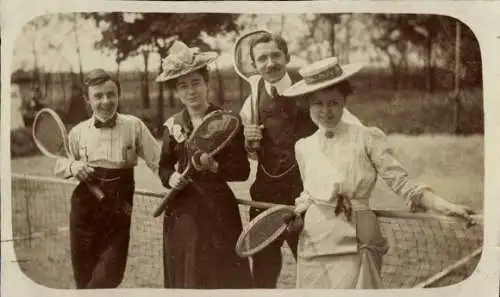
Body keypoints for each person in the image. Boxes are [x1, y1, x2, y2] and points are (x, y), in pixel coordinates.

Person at [280, 56, 476, 289]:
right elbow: (309, 195)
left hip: (357, 239)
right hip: (313, 242)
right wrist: (298, 217)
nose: (326, 111)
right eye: (318, 104)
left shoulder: (367, 137)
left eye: (333, 102)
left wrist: (446, 206)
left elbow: (402, 184)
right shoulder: (303, 146)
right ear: (308, 105)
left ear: (344, 101)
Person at [238, 31, 363, 288]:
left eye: (275, 55)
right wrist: (249, 143)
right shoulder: (250, 101)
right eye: (262, 58)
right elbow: (251, 156)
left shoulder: (310, 92)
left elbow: (351, 130)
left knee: (316, 275)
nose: (270, 63)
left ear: (287, 57)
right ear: (254, 64)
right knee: (263, 274)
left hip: (307, 200)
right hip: (265, 198)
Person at [156, 41, 252, 289]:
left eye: (196, 83)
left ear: (207, 84)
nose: (191, 91)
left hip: (218, 213)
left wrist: (215, 167)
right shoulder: (172, 125)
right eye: (183, 86)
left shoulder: (228, 121)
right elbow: (164, 168)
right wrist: (171, 179)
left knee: (220, 276)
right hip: (182, 214)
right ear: (177, 92)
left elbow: (242, 171)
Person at [54, 68, 161, 289]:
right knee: (84, 280)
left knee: (106, 278)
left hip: (118, 213)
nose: (106, 101)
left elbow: (159, 162)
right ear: (88, 100)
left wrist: (176, 179)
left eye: (111, 94)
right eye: (98, 96)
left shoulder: (134, 126)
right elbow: (59, 164)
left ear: (119, 95)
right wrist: (73, 165)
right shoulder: (78, 133)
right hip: (83, 214)